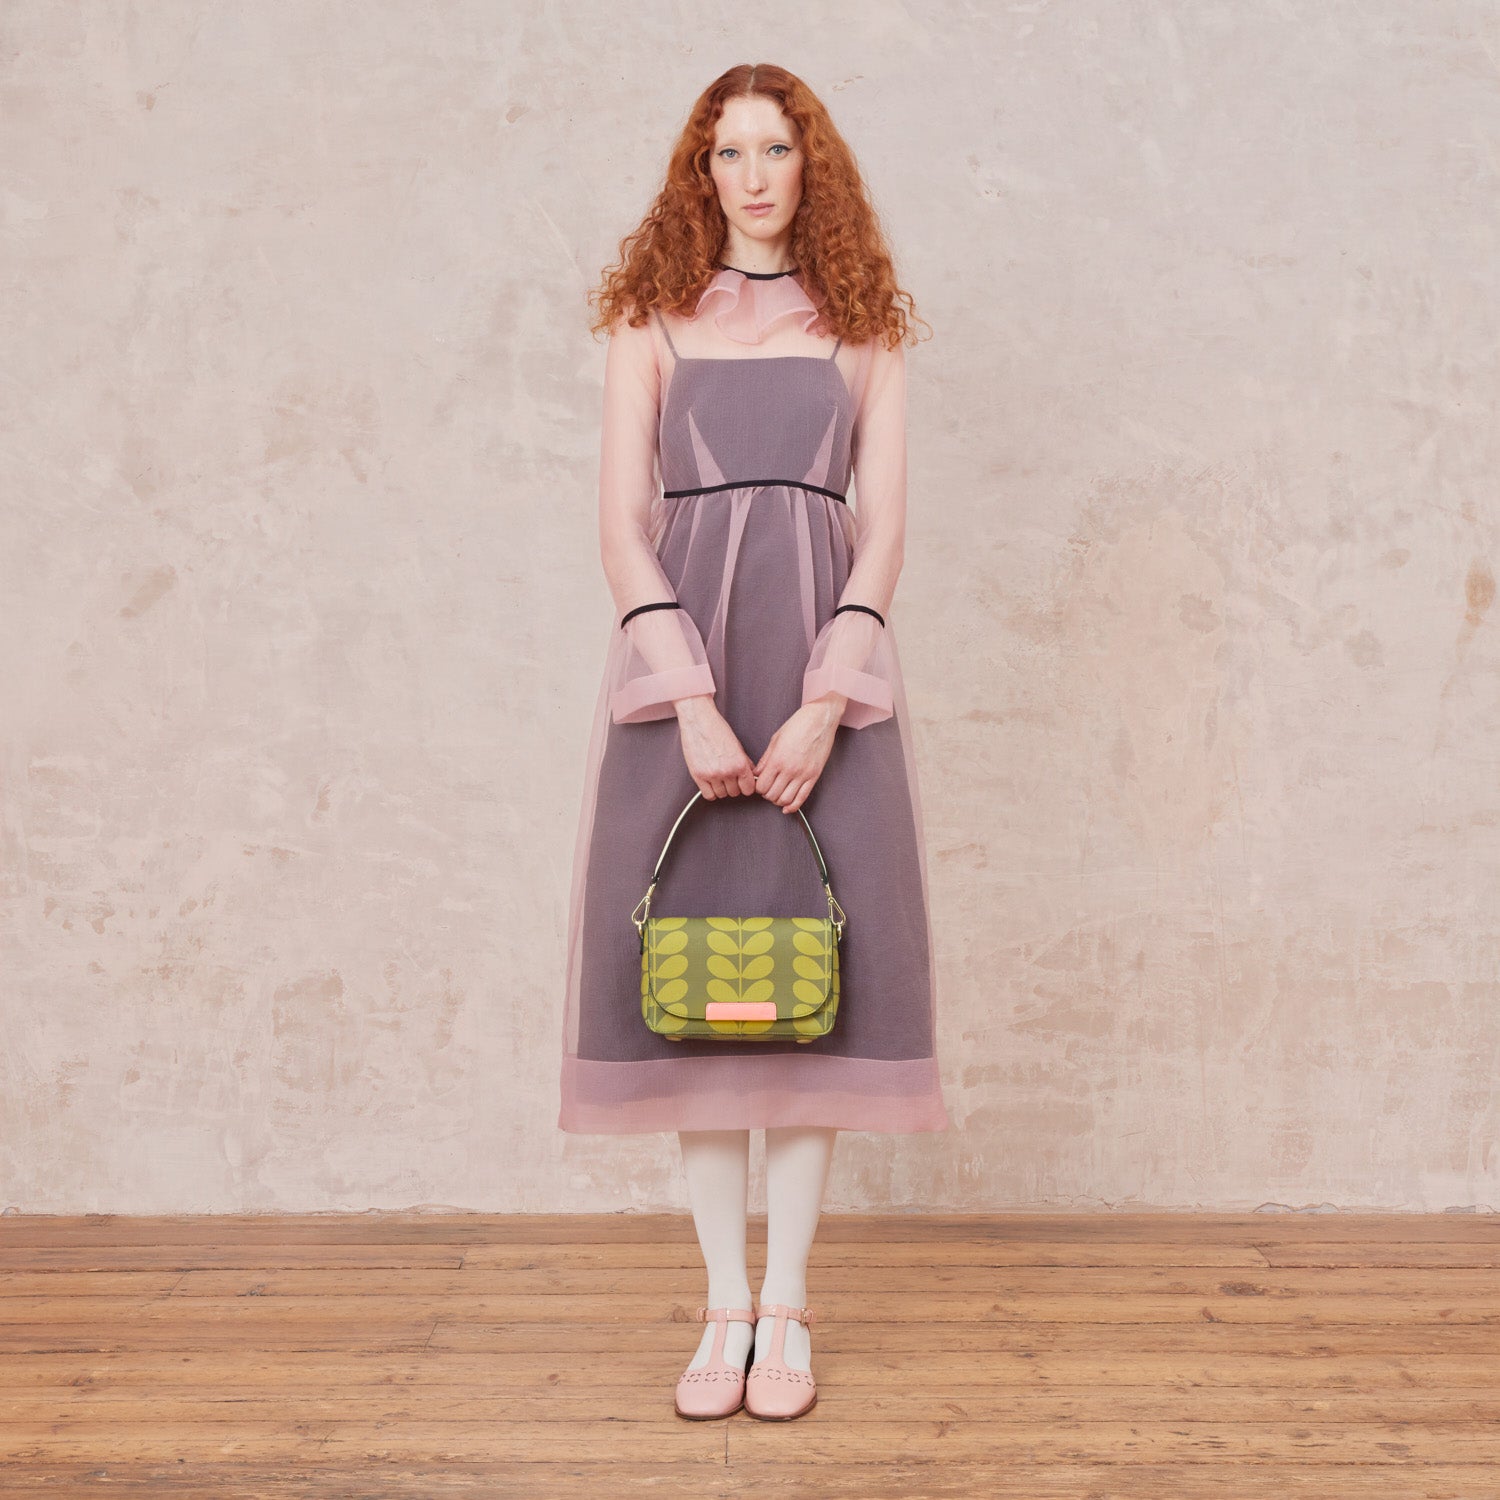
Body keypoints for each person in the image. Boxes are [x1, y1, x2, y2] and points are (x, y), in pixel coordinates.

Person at [558, 63, 950, 1421]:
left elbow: (884, 532)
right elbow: (621, 529)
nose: (756, 175)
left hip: (820, 680)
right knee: (699, 1000)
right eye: (729, 153)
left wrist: (827, 703)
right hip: (691, 684)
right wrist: (694, 700)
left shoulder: (864, 325)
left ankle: (788, 1307)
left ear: (810, 163)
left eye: (777, 148)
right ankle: (721, 1307)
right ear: (701, 171)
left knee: (813, 1000)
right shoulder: (649, 321)